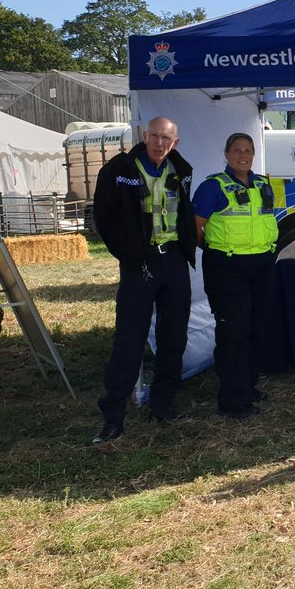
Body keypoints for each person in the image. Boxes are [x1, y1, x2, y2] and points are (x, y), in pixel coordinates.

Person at [91, 116, 196, 443]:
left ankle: (163, 405)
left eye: (166, 138)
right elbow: (103, 216)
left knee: (174, 335)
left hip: (174, 260)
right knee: (129, 338)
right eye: (154, 136)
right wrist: (127, 253)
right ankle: (114, 415)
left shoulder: (181, 168)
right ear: (143, 135)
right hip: (140, 263)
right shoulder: (119, 169)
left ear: (174, 142)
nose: (159, 143)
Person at [192, 133, 278, 419]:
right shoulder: (212, 187)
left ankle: (247, 386)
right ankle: (232, 401)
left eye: (248, 150)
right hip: (228, 269)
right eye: (237, 150)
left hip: (261, 266)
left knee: (257, 329)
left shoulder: (263, 185)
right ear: (227, 154)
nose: (243, 155)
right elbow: (195, 229)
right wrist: (218, 251)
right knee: (233, 334)